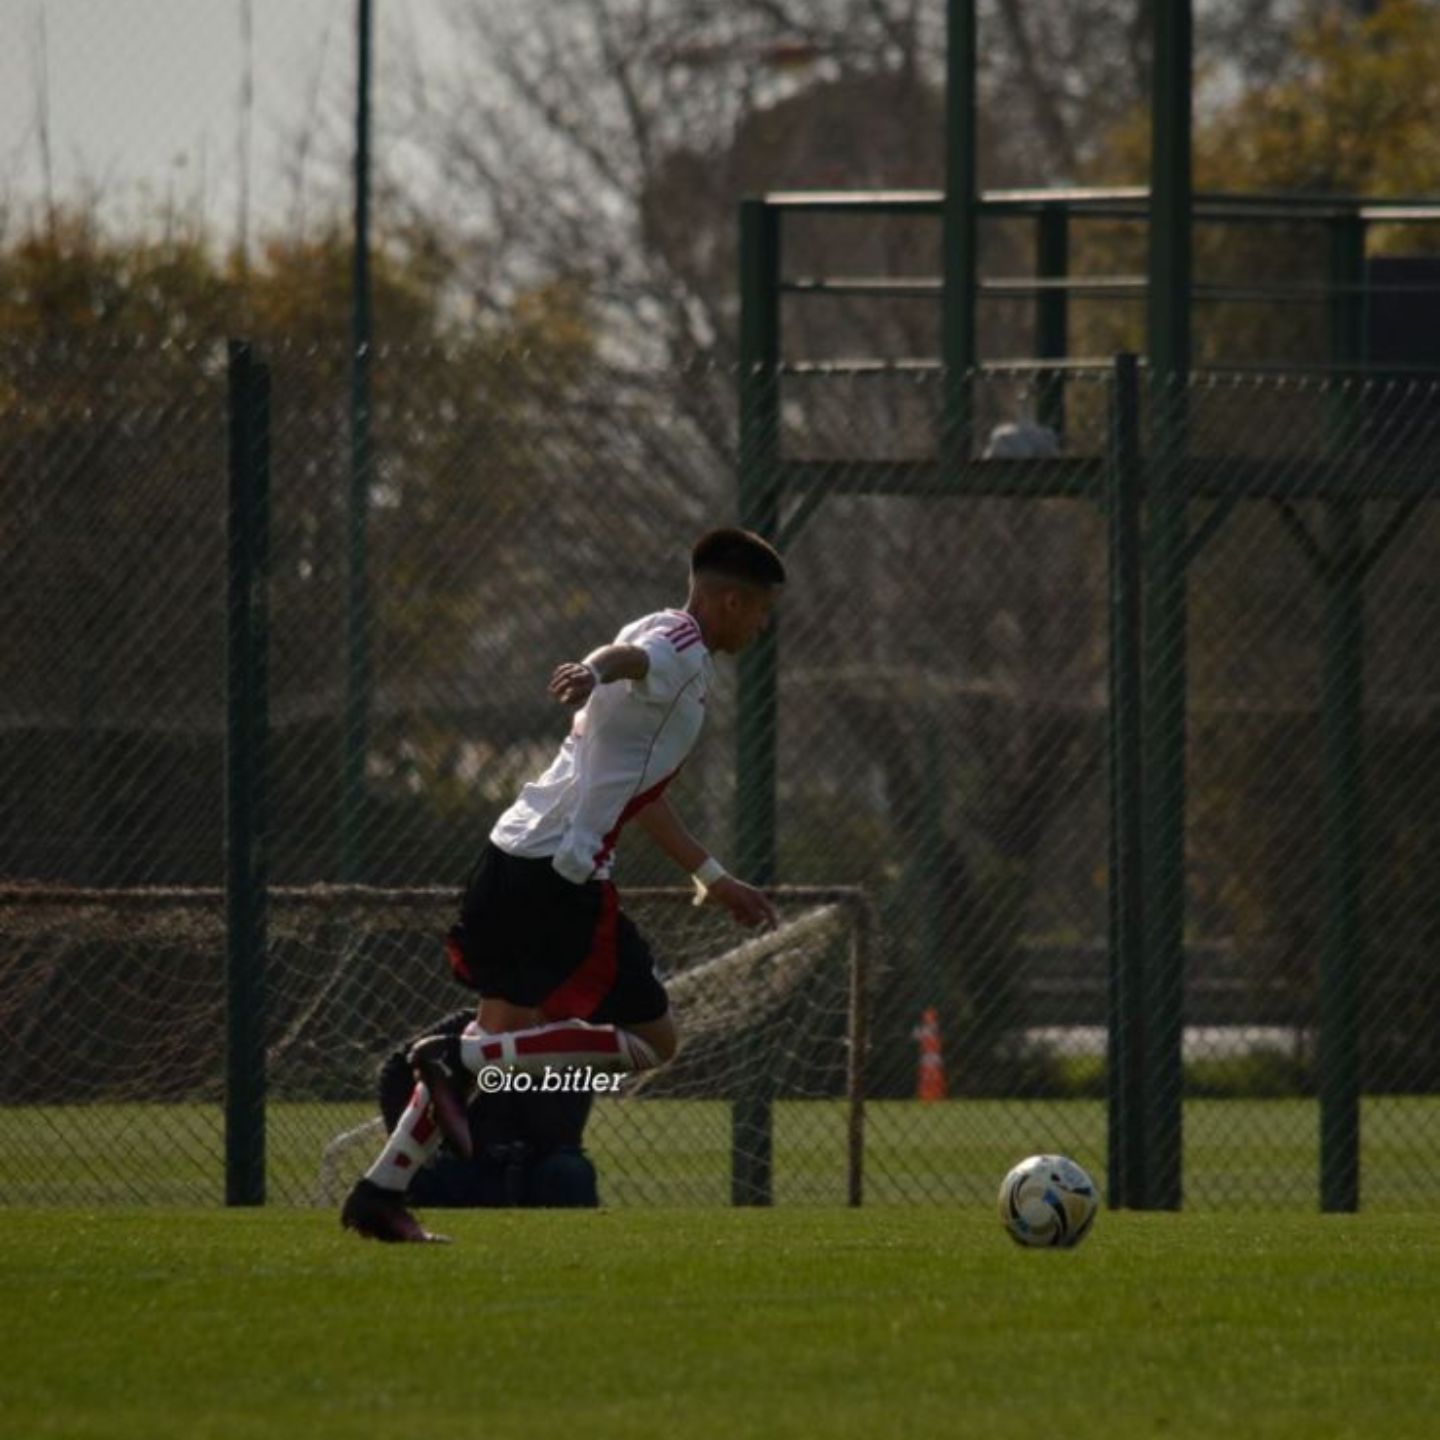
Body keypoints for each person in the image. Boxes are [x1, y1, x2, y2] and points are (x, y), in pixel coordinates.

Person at [342, 527, 786, 1242]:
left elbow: (639, 792)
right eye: (762, 610)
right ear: (731, 601)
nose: (764, 625)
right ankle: (456, 1056)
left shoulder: (658, 630)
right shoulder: (677, 646)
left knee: (501, 1046)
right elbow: (629, 660)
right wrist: (590, 669)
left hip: (515, 851)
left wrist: (713, 875)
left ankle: (379, 1195)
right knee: (652, 1040)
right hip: (562, 875)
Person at [375, 1009, 600, 1210]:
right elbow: (397, 1070)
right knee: (429, 1174)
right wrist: (418, 1141)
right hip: (467, 1161)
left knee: (571, 1170)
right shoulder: (468, 1028)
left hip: (537, 1164)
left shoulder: (568, 1042)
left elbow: (564, 1131)